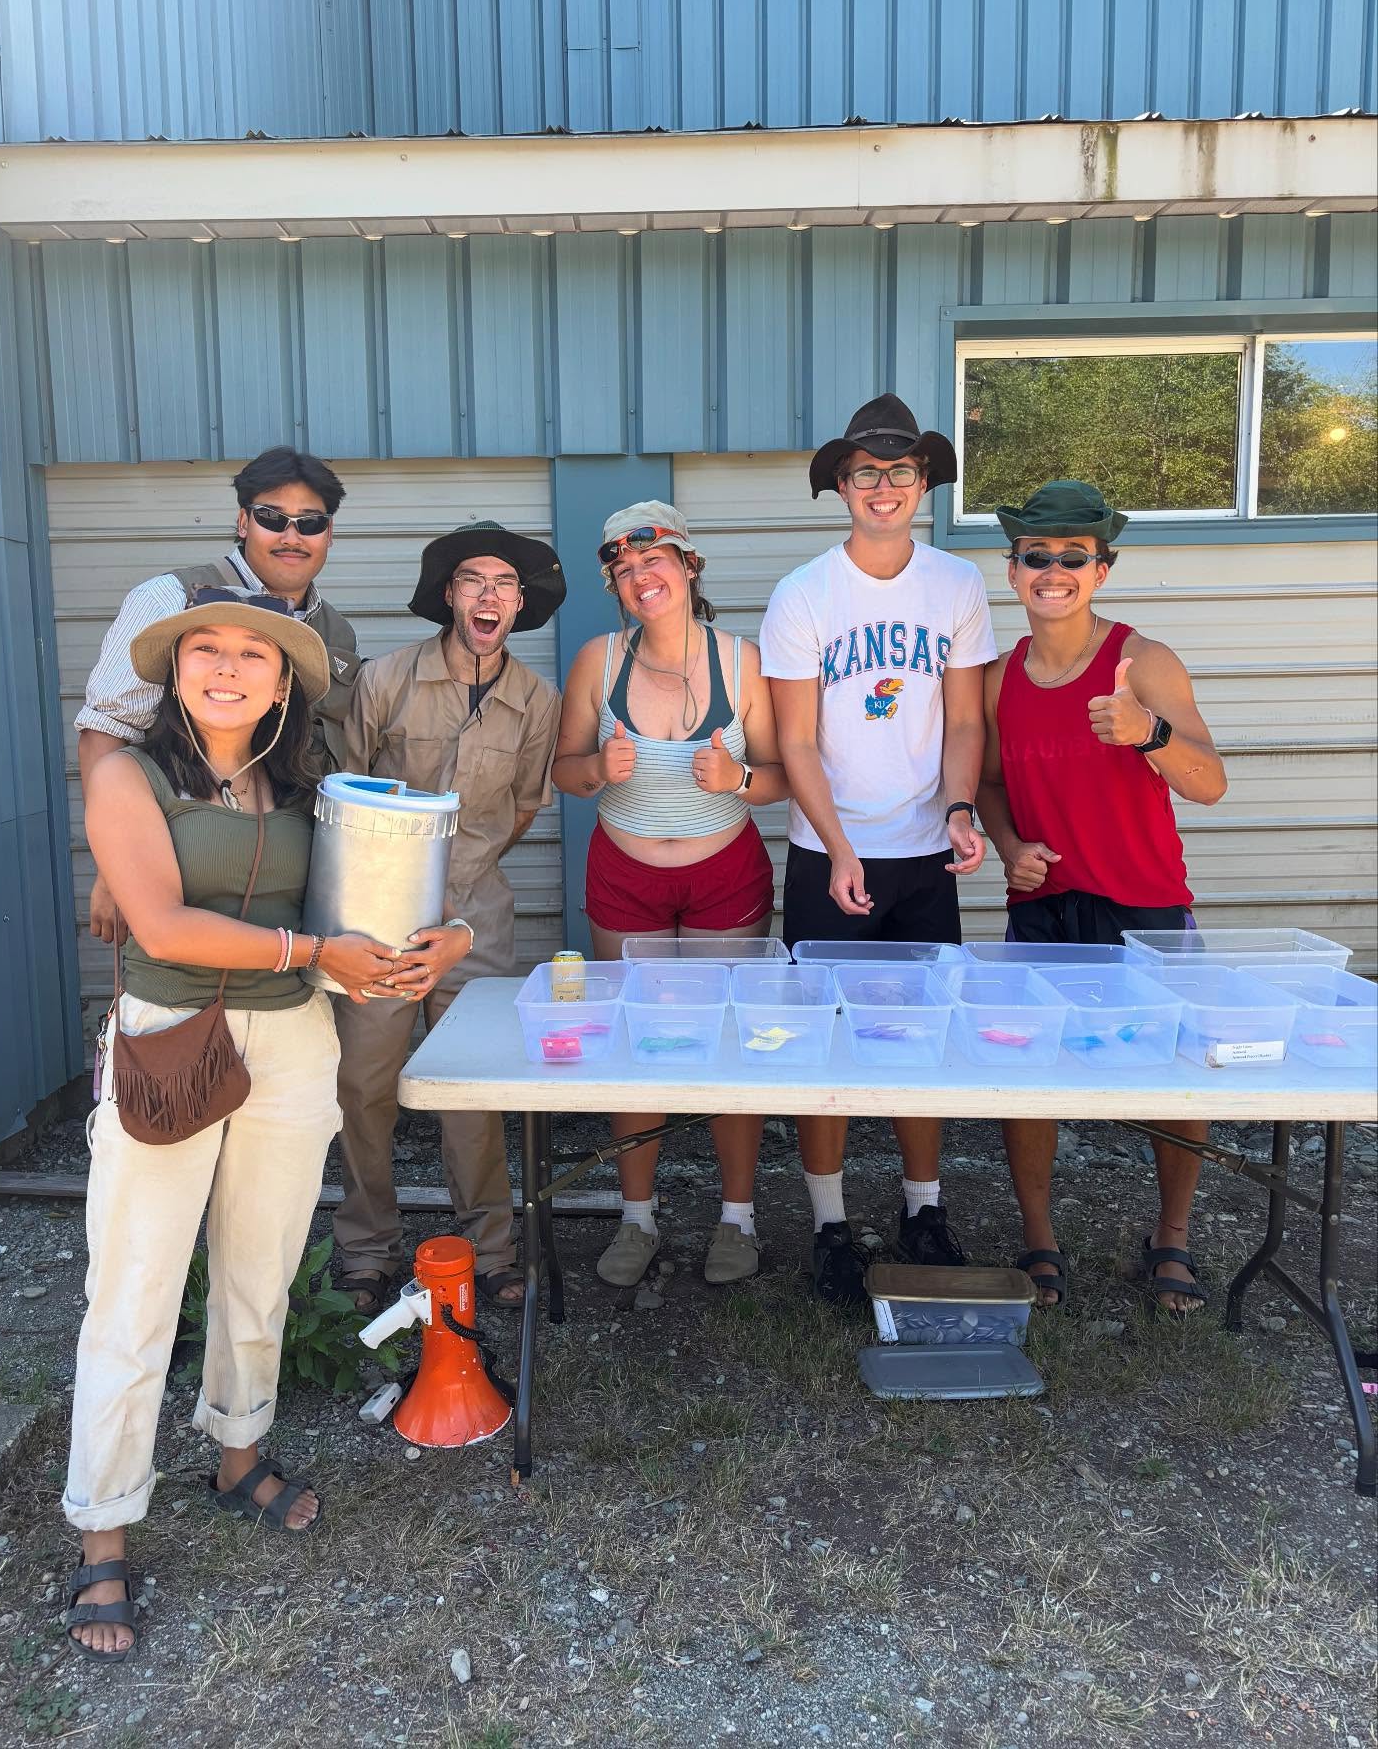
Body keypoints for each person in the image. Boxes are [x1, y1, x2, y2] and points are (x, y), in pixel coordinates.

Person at [65, 589, 444, 1664]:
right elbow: (164, 922)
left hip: (293, 1048)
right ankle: (104, 1522)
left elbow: (393, 890)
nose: (227, 667)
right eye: (206, 651)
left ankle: (238, 1453)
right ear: (176, 670)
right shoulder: (125, 776)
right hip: (171, 1039)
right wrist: (313, 955)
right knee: (133, 1286)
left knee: (262, 1266)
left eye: (253, 655)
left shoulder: (313, 792)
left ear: (285, 684)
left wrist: (441, 937)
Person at [759, 395, 996, 1303]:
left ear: (924, 483)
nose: (885, 487)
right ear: (842, 486)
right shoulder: (804, 594)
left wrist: (963, 811)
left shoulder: (957, 586)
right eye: (867, 473)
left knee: (921, 1035)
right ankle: (829, 1220)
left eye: (901, 472)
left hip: (926, 846)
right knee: (828, 1042)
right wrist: (838, 844)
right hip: (832, 851)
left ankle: (922, 1207)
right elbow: (799, 742)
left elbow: (966, 718)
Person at [975, 480, 1227, 1313]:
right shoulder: (997, 677)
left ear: (1102, 569)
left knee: (1175, 1078)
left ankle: (1172, 1239)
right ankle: (1040, 1239)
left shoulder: (1142, 660)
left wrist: (1146, 734)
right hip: (1044, 908)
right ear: (1011, 571)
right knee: (1031, 1077)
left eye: (1072, 558)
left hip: (1146, 902)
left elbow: (1211, 783)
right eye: (1036, 557)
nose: (1054, 571)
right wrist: (1010, 848)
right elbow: (988, 783)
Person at [552, 502, 789, 1287]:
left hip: (724, 872)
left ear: (689, 566)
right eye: (622, 570)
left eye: (653, 561)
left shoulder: (740, 663)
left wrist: (740, 779)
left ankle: (736, 1217)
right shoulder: (599, 660)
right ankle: (637, 1215)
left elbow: (786, 778)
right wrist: (598, 774)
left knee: (728, 1038)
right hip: (624, 872)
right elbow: (565, 770)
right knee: (633, 1037)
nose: (639, 577)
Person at [332, 522, 566, 1313]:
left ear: (520, 603)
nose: (489, 594)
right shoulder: (387, 680)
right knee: (364, 1084)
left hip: (478, 920)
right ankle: (365, 1248)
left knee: (472, 1087)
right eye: (473, 579)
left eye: (504, 582)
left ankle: (491, 1248)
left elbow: (523, 808)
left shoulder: (536, 701)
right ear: (449, 595)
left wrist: (462, 886)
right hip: (378, 919)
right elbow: (348, 795)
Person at [77, 446, 358, 947]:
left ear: (329, 535)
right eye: (273, 517)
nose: (292, 536)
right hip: (189, 863)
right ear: (243, 521)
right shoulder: (169, 599)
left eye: (310, 523)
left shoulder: (334, 630)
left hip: (291, 870)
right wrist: (114, 870)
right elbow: (108, 729)